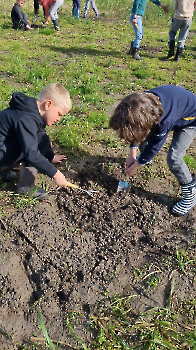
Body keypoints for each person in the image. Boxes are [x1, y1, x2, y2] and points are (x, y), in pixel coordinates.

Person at [109, 85, 196, 216]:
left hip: (189, 119)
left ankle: (190, 194)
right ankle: (144, 158)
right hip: (175, 108)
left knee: (174, 158)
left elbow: (155, 146)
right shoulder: (139, 103)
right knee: (144, 136)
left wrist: (136, 165)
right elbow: (135, 130)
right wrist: (133, 154)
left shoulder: (164, 121)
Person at [0, 83, 72, 199]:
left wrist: (50, 156)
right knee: (34, 145)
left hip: (3, 146)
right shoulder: (27, 118)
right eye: (59, 114)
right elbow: (31, 153)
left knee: (40, 138)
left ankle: (4, 168)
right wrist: (55, 173)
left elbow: (41, 136)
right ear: (48, 104)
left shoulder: (31, 110)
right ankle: (25, 186)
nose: (59, 119)